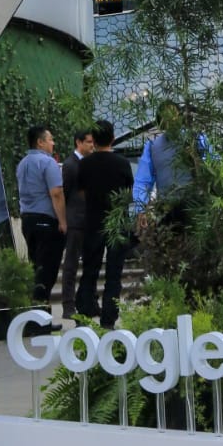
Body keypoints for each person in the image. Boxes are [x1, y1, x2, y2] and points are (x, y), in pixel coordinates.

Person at [76, 119, 134, 328]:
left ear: (93, 139)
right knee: (114, 273)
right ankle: (109, 318)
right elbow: (129, 193)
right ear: (113, 138)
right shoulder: (122, 163)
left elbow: (81, 192)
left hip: (93, 221)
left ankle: (84, 312)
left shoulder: (85, 164)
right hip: (117, 221)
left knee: (89, 270)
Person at [16, 125, 66, 308]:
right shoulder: (47, 162)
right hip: (46, 220)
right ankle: (40, 312)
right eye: (50, 139)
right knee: (47, 269)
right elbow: (56, 193)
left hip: (27, 220)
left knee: (36, 266)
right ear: (40, 142)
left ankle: (38, 312)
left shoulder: (22, 164)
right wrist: (63, 221)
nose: (53, 143)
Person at [59, 126, 94, 322]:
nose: (92, 145)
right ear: (78, 142)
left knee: (89, 263)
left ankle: (87, 302)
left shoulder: (89, 163)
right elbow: (64, 193)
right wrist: (64, 220)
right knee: (71, 264)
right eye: (88, 142)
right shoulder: (70, 165)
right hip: (75, 221)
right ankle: (68, 305)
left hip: (88, 220)